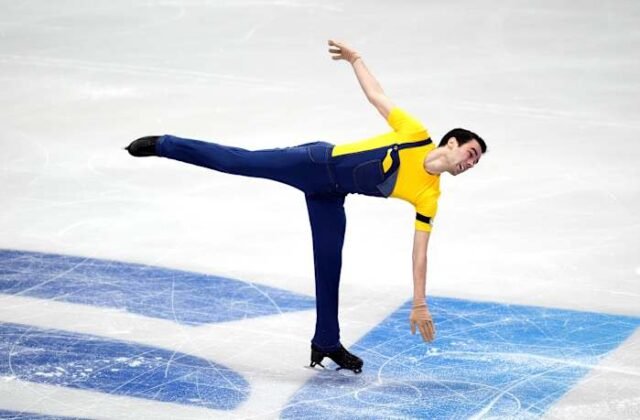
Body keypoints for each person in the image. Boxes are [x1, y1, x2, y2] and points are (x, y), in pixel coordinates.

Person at [125, 40, 487, 374]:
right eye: (470, 153)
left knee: (329, 265)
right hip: (313, 163)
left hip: (330, 197)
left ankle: (326, 341)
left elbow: (419, 253)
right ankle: (165, 144)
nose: (470, 163)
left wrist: (419, 301)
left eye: (475, 162)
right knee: (241, 161)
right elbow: (376, 96)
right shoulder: (415, 134)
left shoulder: (430, 195)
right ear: (451, 143)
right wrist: (355, 59)